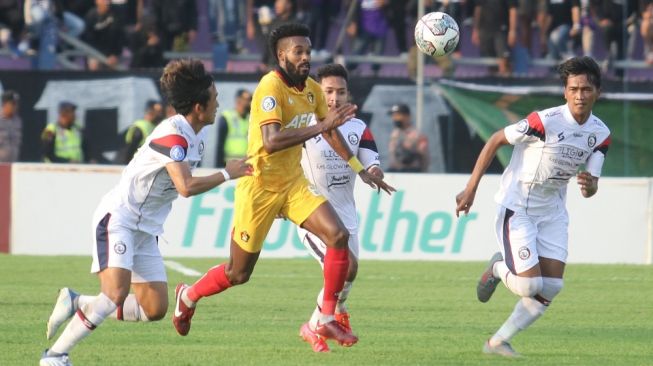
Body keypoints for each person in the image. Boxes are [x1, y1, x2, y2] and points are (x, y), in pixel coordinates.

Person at [171, 23, 394, 348]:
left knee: (338, 236)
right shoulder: (269, 88)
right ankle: (188, 296)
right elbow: (272, 141)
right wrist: (323, 124)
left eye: (308, 50)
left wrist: (358, 167)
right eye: (298, 51)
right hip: (259, 186)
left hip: (293, 184)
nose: (306, 57)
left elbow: (329, 132)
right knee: (239, 273)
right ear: (281, 55)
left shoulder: (313, 89)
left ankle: (327, 318)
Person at [39, 59, 253, 366]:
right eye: (215, 100)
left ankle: (78, 301)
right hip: (120, 219)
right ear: (198, 107)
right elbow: (185, 186)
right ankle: (56, 356)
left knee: (154, 309)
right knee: (114, 294)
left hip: (146, 230)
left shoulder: (195, 137)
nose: (218, 105)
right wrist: (227, 174)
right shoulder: (173, 135)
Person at [455, 56, 611, 357]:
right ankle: (498, 268)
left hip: (552, 211)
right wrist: (471, 188)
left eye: (586, 89)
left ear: (597, 93)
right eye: (574, 89)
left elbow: (591, 189)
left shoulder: (600, 134)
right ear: (565, 92)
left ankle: (498, 341)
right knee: (529, 286)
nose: (580, 95)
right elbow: (496, 140)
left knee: (551, 286)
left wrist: (590, 186)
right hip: (519, 208)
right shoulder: (545, 120)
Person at [296, 63, 386, 352]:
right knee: (347, 266)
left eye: (340, 92)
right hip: (313, 214)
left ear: (349, 95)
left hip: (347, 216)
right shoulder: (304, 125)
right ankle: (319, 323)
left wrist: (374, 172)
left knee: (349, 275)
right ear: (317, 94)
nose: (334, 98)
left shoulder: (358, 128)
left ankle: (321, 322)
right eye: (328, 92)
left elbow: (372, 161)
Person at [472, 0, 518, 76]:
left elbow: (513, 9)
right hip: (485, 30)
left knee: (504, 62)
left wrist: (512, 31)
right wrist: (475, 29)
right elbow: (478, 8)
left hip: (501, 30)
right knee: (491, 64)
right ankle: (493, 83)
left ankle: (506, 83)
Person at [116, 100, 165, 164]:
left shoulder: (155, 126)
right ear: (149, 112)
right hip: (134, 163)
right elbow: (128, 149)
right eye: (157, 112)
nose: (159, 115)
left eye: (160, 112)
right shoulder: (140, 127)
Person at [387, 103, 429, 173]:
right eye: (393, 116)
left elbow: (424, 157)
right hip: (395, 172)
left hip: (412, 172)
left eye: (398, 116)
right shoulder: (394, 134)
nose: (395, 119)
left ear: (407, 116)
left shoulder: (417, 135)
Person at [216, 89, 252, 167]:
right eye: (248, 99)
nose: (250, 103)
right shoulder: (227, 117)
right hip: (229, 164)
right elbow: (220, 145)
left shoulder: (251, 120)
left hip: (246, 164)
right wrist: (218, 168)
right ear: (238, 101)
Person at [0, 90, 22, 162]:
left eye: (16, 104)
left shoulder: (18, 121)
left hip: (13, 164)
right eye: (12, 104)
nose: (15, 106)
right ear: (4, 104)